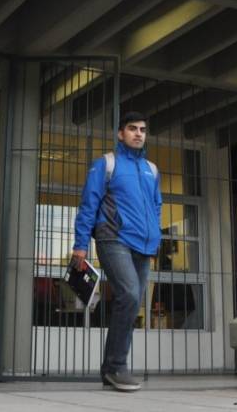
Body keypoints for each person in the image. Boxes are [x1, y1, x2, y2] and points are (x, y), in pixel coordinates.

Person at [72, 111, 161, 392]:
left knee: (132, 302)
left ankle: (111, 368)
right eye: (132, 128)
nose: (138, 133)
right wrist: (80, 244)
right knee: (130, 294)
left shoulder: (152, 169)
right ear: (121, 133)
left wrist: (155, 238)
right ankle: (116, 366)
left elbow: (156, 206)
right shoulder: (106, 164)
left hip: (144, 245)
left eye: (142, 129)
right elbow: (89, 204)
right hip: (113, 239)